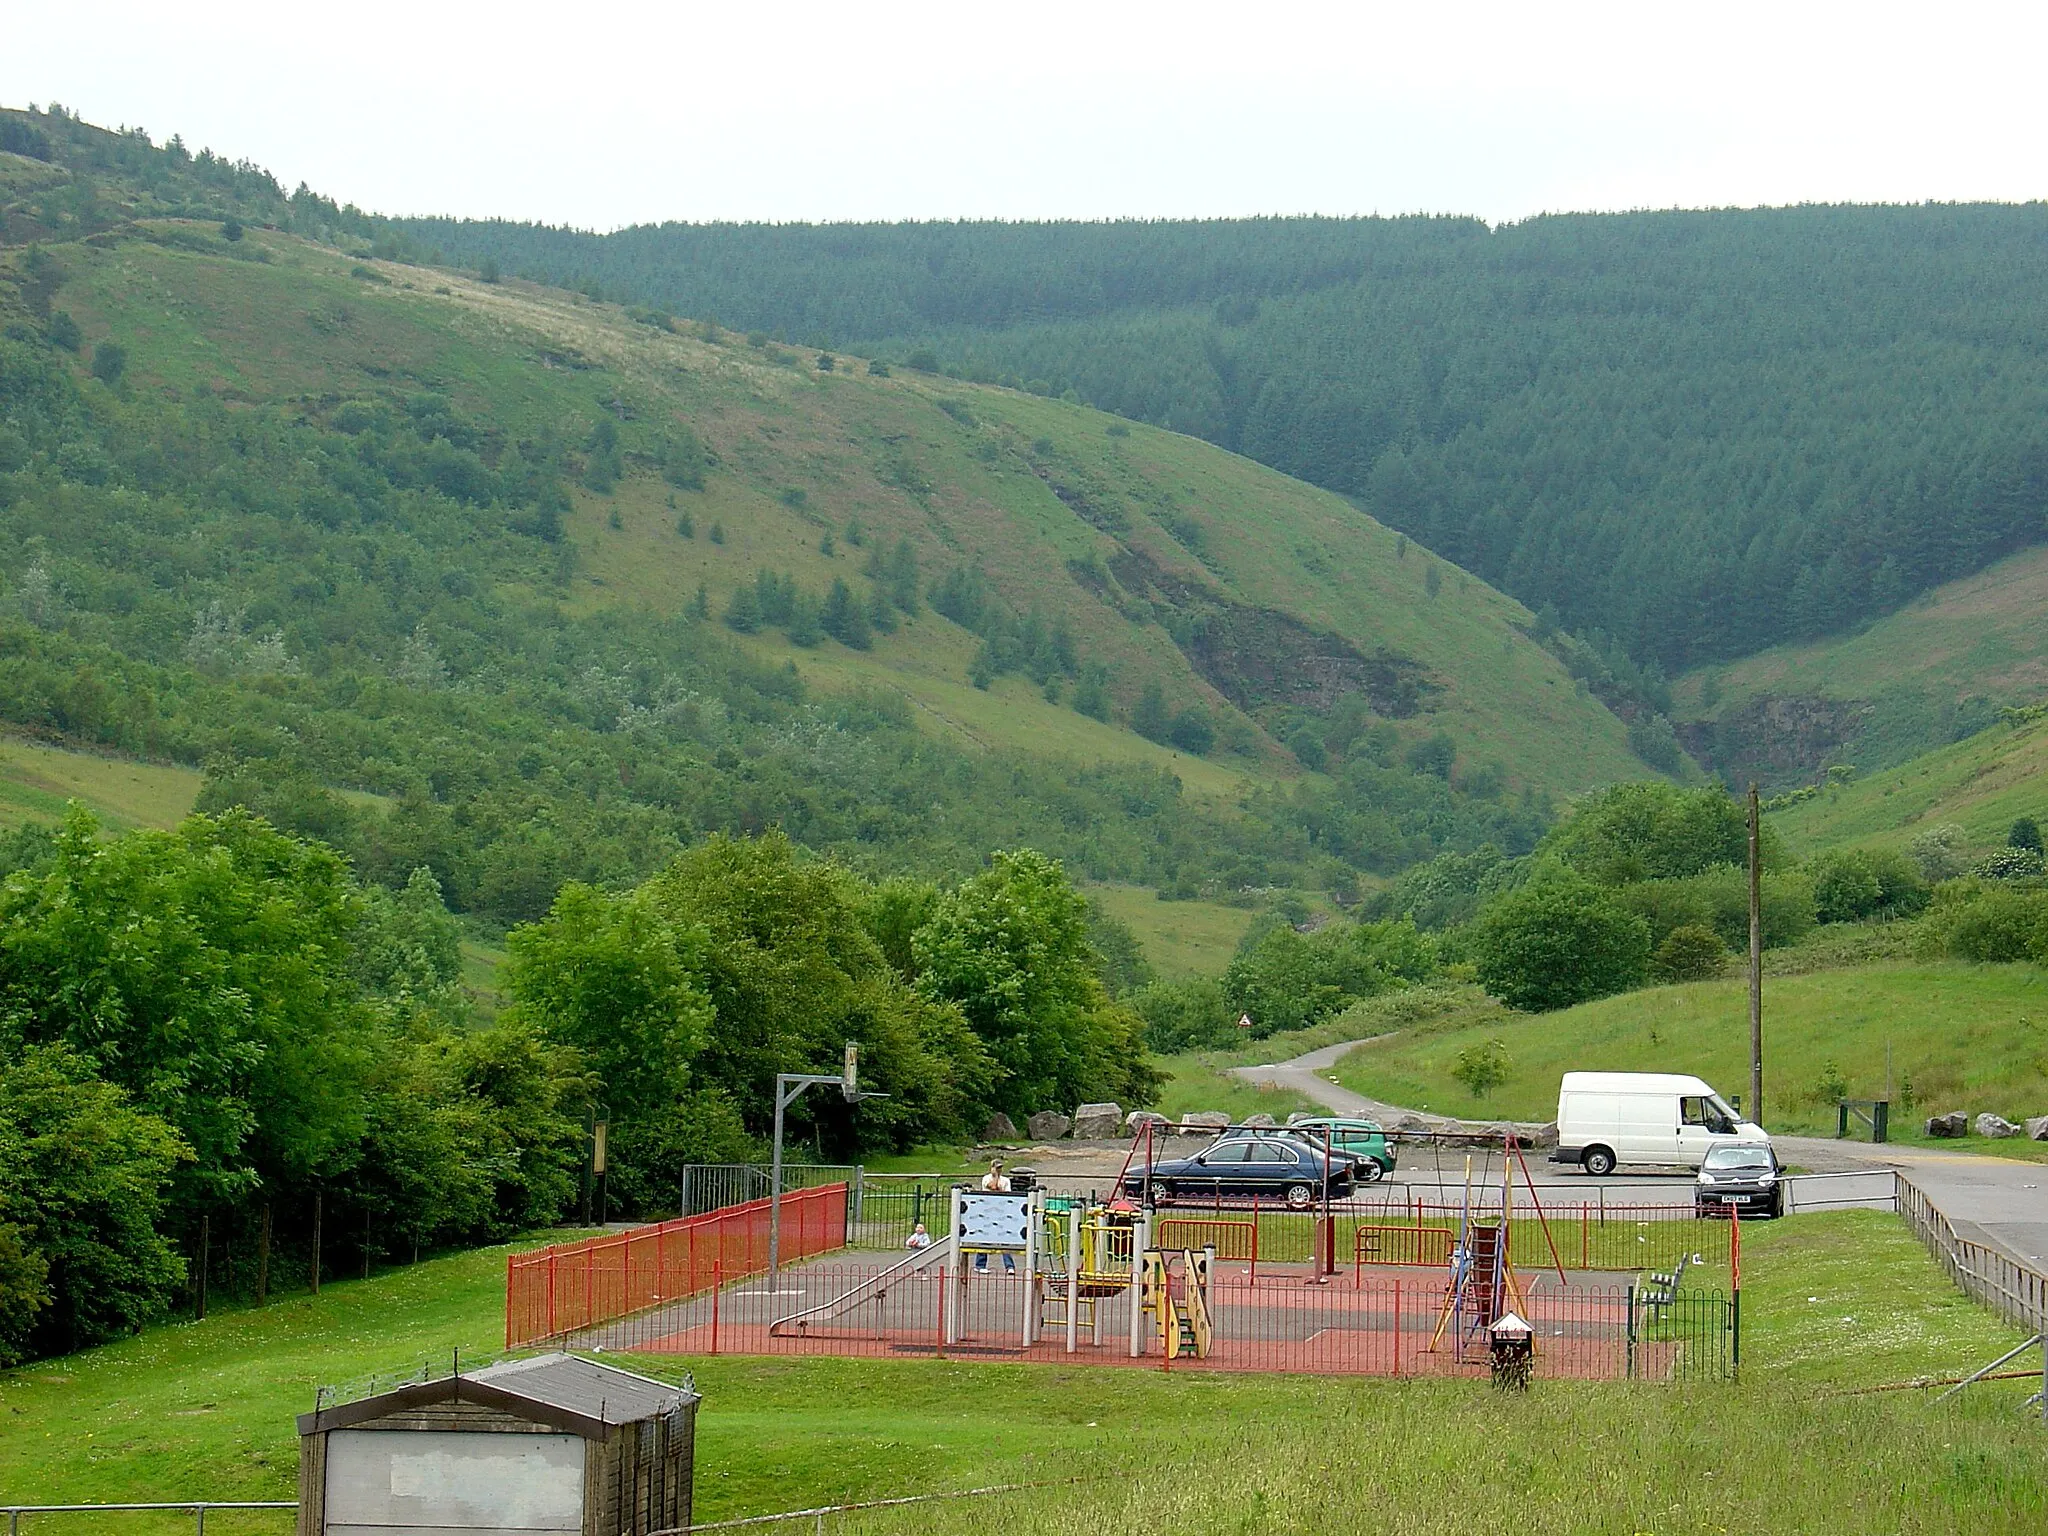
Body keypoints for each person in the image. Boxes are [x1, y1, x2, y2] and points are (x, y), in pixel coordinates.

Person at [974, 1160, 1017, 1274]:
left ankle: (1009, 1266)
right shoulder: (986, 1178)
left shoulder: (1006, 1180)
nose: (999, 1170)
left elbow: (1006, 1193)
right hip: (988, 1210)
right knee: (985, 1237)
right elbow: (993, 1187)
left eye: (1000, 1168)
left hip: (1002, 1210)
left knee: (1004, 1239)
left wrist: (998, 1179)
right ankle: (980, 1265)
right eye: (996, 1168)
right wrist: (995, 1177)